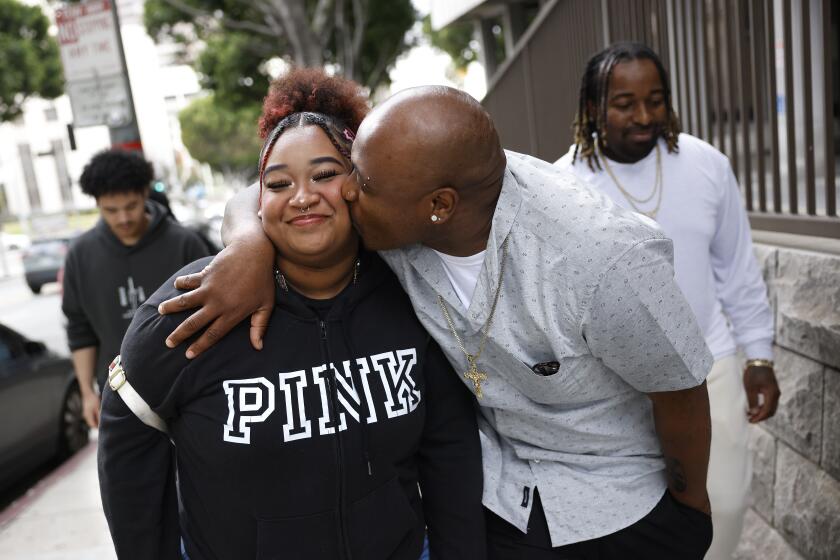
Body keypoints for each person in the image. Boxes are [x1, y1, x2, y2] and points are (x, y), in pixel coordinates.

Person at [159, 84, 716, 558]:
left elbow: (680, 389)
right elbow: (280, 184)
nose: (345, 192)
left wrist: (689, 512)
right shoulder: (394, 205)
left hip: (619, 506)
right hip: (500, 496)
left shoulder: (599, 258)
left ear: (439, 207)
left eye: (363, 186)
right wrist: (246, 244)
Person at [97, 68, 486, 560]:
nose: (303, 197)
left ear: (358, 186)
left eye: (324, 175)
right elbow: (128, 431)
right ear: (260, 203)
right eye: (279, 184)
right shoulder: (196, 299)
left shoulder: (410, 289)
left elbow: (449, 450)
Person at [554, 42, 780, 559]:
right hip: (613, 383)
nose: (644, 116)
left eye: (655, 100)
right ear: (593, 108)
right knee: (639, 516)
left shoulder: (706, 166)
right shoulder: (562, 184)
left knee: (722, 503)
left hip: (710, 363)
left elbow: (738, 271)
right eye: (625, 103)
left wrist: (759, 356)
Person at [61, 149, 210, 428]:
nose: (123, 219)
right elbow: (79, 330)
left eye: (130, 206)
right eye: (111, 210)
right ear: (97, 203)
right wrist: (87, 394)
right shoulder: (80, 256)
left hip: (192, 390)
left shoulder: (186, 244)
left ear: (144, 193)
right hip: (119, 396)